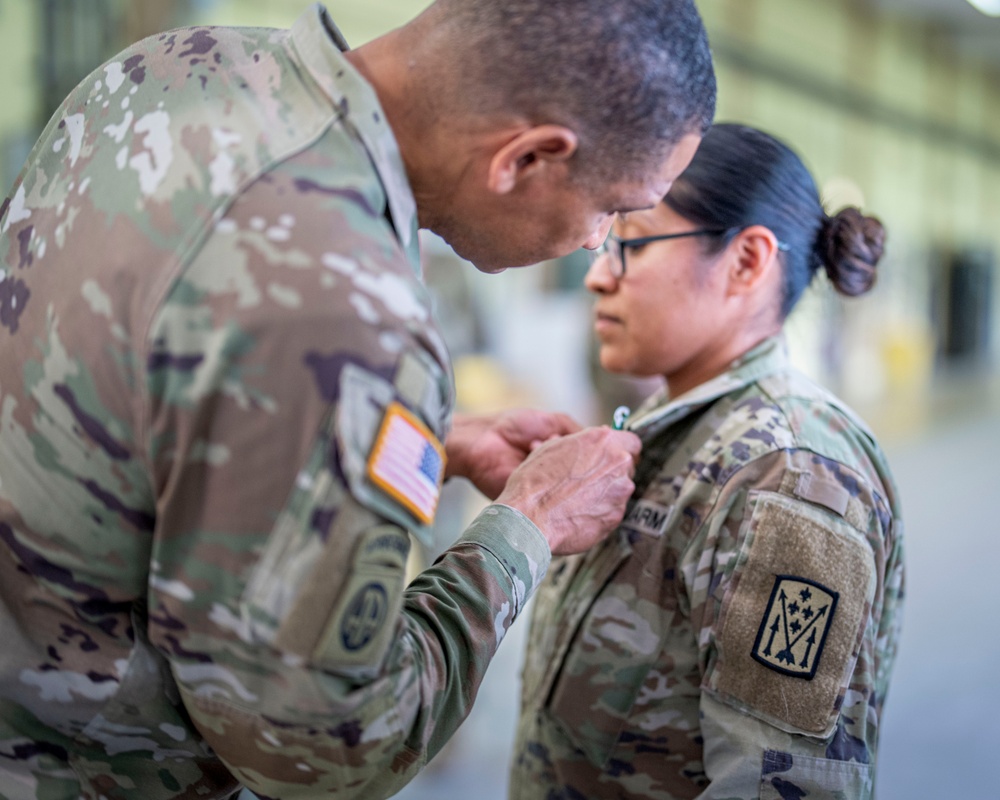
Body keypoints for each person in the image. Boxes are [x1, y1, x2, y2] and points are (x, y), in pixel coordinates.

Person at [0, 1, 716, 798]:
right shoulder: (353, 317)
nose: (597, 244)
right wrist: (528, 528)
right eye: (615, 207)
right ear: (526, 158)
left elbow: (144, 399)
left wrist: (414, 449)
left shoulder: (170, 71)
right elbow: (326, 749)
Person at [510, 123, 905, 800]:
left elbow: (780, 787)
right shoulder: (687, 432)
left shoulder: (787, 479)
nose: (599, 276)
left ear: (748, 262)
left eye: (631, 244)